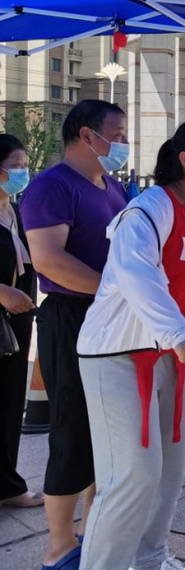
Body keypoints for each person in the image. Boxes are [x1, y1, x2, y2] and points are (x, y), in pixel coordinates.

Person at [77, 117, 185, 570]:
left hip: (173, 359)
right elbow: (136, 275)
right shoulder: (147, 210)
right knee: (131, 476)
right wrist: (179, 333)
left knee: (167, 473)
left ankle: (150, 560)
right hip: (119, 356)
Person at [21, 99, 130, 570]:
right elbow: (48, 259)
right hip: (71, 318)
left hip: (111, 318)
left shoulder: (114, 187)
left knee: (103, 432)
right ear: (88, 135)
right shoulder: (51, 186)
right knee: (72, 429)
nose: (124, 144)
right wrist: (116, 291)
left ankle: (92, 530)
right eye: (118, 135)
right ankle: (59, 547)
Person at [0, 135, 42, 510]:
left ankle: (7, 485)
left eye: (25, 165)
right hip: (4, 313)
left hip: (16, 324)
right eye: (16, 165)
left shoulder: (15, 211)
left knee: (11, 403)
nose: (22, 172)